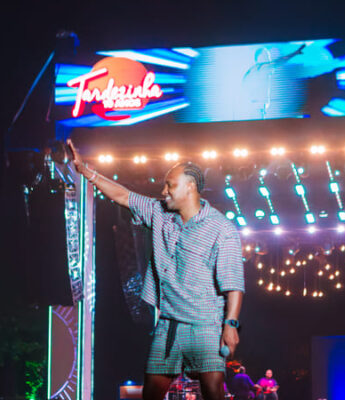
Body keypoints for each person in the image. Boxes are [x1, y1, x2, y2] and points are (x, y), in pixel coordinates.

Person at [67, 139, 245, 400]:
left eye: (170, 185)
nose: (164, 191)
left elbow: (234, 283)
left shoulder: (221, 229)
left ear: (190, 186)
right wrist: (86, 172)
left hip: (206, 324)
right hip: (168, 324)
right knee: (151, 392)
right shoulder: (159, 213)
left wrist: (230, 325)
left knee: (213, 391)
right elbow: (123, 196)